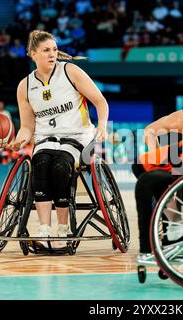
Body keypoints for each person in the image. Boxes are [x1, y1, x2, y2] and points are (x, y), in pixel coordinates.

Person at [8, 30, 109, 238]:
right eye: (46, 50)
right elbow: (27, 127)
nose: (52, 54)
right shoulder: (25, 86)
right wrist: (20, 139)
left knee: (60, 166)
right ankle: (44, 228)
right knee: (40, 163)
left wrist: (102, 126)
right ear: (32, 54)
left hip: (78, 137)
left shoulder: (70, 71)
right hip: (46, 139)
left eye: (54, 49)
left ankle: (63, 227)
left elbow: (100, 102)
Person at [134, 90, 183, 257]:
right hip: (179, 157)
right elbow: (149, 130)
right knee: (142, 167)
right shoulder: (179, 119)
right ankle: (173, 223)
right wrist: (157, 155)